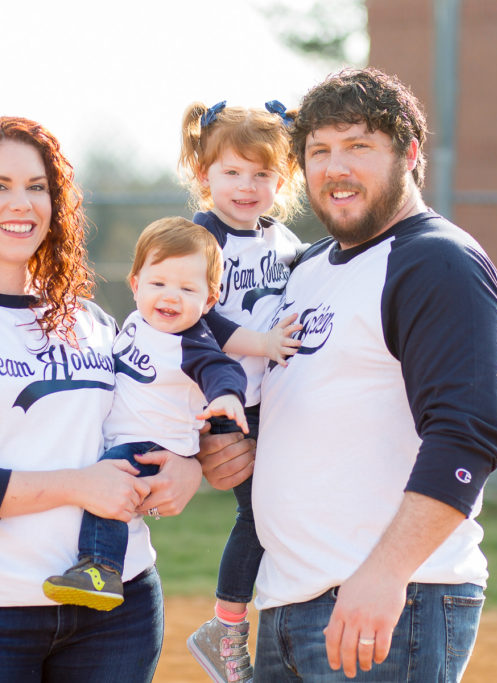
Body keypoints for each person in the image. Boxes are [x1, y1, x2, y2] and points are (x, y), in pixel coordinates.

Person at [198, 67, 497, 682]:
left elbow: (467, 437)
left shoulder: (435, 261)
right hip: (288, 600)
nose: (335, 168)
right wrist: (231, 448)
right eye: (319, 151)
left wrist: (385, 574)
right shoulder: (307, 267)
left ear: (410, 153)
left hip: (388, 602)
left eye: (358, 147)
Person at [0, 116, 203, 682]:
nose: (20, 203)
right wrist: (78, 485)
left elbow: (142, 423)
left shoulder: (92, 321)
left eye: (37, 187)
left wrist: (186, 467)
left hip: (117, 611)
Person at [42, 216, 300, 613]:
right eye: (159, 284)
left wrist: (228, 397)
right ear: (135, 285)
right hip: (128, 437)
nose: (170, 297)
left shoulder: (190, 342)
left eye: (187, 288)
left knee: (111, 479)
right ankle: (99, 566)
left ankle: (101, 569)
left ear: (209, 301)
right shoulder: (134, 324)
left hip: (152, 446)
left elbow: (221, 368)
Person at [177, 100, 307, 682]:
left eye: (262, 174)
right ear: (203, 175)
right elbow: (195, 315)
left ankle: (283, 610)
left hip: (269, 399)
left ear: (283, 180)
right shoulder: (200, 237)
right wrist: (259, 344)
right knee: (257, 514)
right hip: (220, 394)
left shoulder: (286, 241)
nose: (246, 186)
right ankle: (226, 629)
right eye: (231, 172)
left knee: (280, 509)